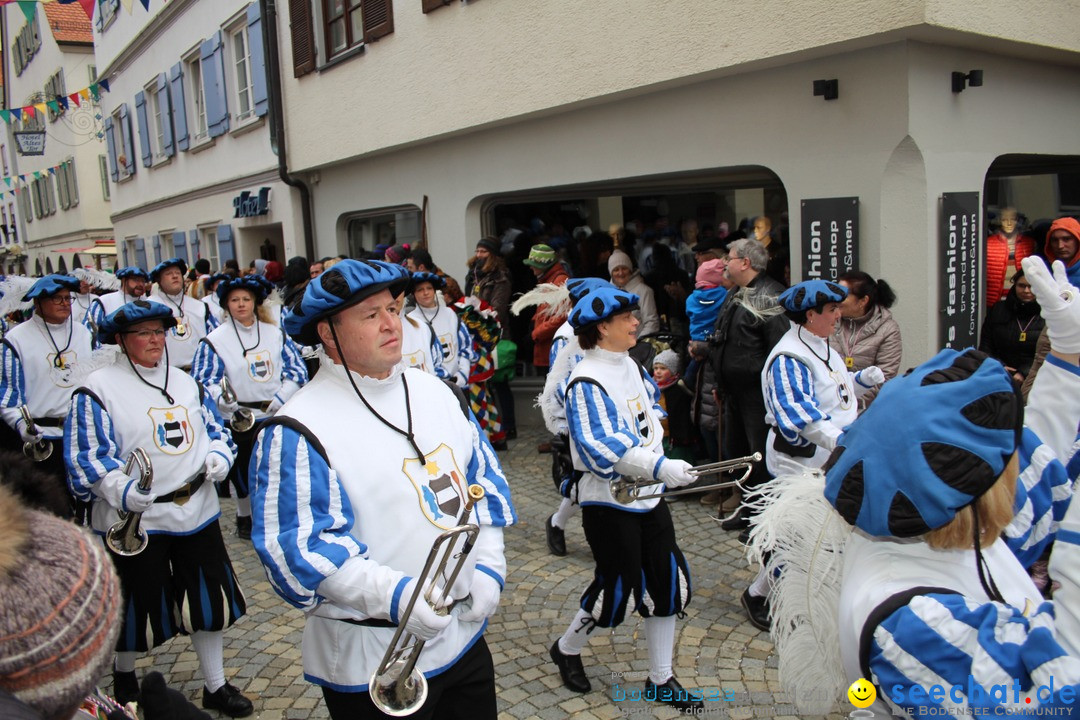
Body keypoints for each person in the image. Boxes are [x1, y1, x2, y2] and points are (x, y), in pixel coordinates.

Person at [750, 257, 1080, 718]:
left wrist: (1068, 354)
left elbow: (1034, 459)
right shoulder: (909, 623)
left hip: (855, 460)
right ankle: (759, 591)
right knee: (786, 551)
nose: (839, 312)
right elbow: (1054, 694)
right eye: (831, 307)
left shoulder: (943, 513)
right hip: (809, 460)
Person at [248, 259, 515, 720]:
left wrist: (490, 560)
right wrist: (397, 596)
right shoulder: (296, 427)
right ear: (328, 333)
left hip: (463, 640)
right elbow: (300, 553)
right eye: (371, 315)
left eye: (394, 307)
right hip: (373, 658)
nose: (393, 323)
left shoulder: (437, 391)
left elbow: (482, 480)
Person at [64, 300, 252, 717]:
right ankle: (125, 674)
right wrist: (119, 488)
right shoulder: (96, 388)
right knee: (133, 604)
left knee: (208, 601)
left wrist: (220, 452)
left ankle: (215, 685)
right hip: (136, 521)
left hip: (196, 511)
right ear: (121, 339)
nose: (154, 340)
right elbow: (87, 455)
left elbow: (214, 427)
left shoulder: (185, 382)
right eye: (143, 334)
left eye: (159, 332)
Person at [548, 285, 702, 713]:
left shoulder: (630, 364)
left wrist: (660, 444)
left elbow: (650, 407)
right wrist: (658, 466)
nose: (637, 322)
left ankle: (661, 678)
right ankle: (567, 647)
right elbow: (601, 447)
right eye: (628, 318)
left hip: (648, 496)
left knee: (666, 580)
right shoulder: (585, 380)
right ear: (602, 328)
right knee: (616, 590)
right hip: (608, 501)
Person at [190, 276, 308, 540]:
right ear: (226, 305)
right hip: (240, 417)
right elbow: (204, 380)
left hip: (276, 411)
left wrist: (279, 399)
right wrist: (224, 399)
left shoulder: (275, 333)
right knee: (242, 469)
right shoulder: (214, 341)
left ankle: (278, 515)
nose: (241, 305)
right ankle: (246, 514)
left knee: (278, 466)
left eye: (246, 299)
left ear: (255, 302)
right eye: (234, 300)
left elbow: (296, 370)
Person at [710, 238, 788, 536]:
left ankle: (762, 518)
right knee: (739, 454)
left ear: (745, 262)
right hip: (734, 391)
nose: (724, 263)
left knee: (759, 457)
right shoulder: (737, 293)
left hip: (758, 394)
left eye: (729, 257)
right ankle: (748, 508)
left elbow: (778, 347)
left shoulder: (770, 295)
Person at [535, 277, 611, 557]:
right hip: (577, 421)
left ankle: (559, 522)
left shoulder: (601, 328)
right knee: (586, 478)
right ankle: (559, 523)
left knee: (599, 476)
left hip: (602, 415)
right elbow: (557, 384)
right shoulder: (567, 336)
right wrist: (564, 427)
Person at [0, 274, 94, 499]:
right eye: (57, 299)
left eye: (67, 298)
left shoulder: (83, 333)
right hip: (43, 440)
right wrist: (22, 424)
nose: (64, 303)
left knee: (86, 503)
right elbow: (9, 394)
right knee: (49, 501)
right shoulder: (16, 339)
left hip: (81, 434)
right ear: (38, 302)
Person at [828, 270, 902, 411]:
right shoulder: (829, 320)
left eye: (843, 295)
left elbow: (884, 378)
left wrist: (850, 405)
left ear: (863, 301)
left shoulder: (887, 329)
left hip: (864, 412)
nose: (836, 299)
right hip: (828, 407)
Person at [147, 259, 219, 370]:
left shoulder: (200, 307)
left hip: (197, 371)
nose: (175, 276)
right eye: (169, 274)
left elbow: (215, 338)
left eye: (178, 273)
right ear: (159, 280)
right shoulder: (149, 307)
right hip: (166, 373)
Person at [407, 271, 474, 387]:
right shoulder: (410, 320)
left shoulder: (450, 314)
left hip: (457, 383)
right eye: (420, 290)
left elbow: (464, 346)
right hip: (429, 386)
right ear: (414, 294)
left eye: (429, 288)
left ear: (435, 291)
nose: (426, 293)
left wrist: (462, 373)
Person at [979, 269, 1044, 384]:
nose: (1026, 291)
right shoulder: (999, 309)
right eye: (1021, 286)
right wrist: (1000, 367)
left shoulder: (1048, 314)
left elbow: (1048, 353)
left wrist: (1023, 372)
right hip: (997, 375)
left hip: (1035, 379)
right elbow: (986, 346)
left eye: (1031, 286)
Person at [522, 244, 569, 374]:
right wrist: (533, 324)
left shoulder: (559, 281)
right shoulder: (549, 280)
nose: (530, 267)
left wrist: (535, 334)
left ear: (543, 265)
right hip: (547, 345)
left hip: (551, 347)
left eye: (533, 264)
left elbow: (561, 317)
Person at [985, 207, 1035, 308]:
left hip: (1023, 300)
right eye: (1004, 219)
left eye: (1012, 219)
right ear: (999, 221)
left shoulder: (1029, 244)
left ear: (1018, 221)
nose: (1008, 223)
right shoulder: (988, 244)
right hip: (994, 302)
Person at [84, 266, 151, 336]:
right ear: (124, 280)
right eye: (136, 280)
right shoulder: (103, 301)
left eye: (143, 281)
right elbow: (90, 332)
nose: (140, 284)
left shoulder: (149, 303)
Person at [607, 250, 659, 337]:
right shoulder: (607, 293)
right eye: (616, 270)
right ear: (611, 274)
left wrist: (637, 344)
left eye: (624, 268)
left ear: (630, 270)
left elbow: (652, 323)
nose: (621, 273)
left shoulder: (644, 291)